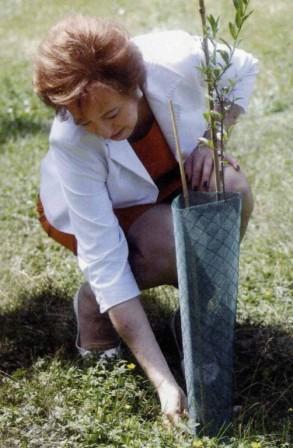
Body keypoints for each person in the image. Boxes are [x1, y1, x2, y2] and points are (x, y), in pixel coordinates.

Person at [33, 15, 258, 425]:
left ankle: (191, 316)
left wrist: (213, 138)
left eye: (112, 113)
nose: (103, 130)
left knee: (232, 190)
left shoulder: (173, 57)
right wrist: (164, 382)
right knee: (168, 247)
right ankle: (93, 306)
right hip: (105, 206)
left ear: (134, 84)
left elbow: (241, 66)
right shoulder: (72, 143)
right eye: (86, 122)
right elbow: (104, 256)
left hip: (166, 175)